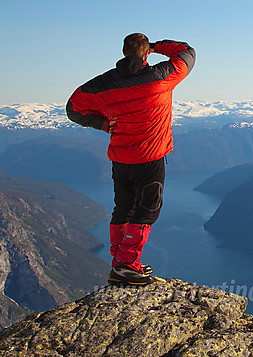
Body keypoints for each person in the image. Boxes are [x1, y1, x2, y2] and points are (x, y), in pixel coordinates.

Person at [66, 33, 195, 286]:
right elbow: (187, 52)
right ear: (145, 53)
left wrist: (102, 123)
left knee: (123, 208)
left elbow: (73, 108)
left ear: (124, 52)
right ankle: (127, 264)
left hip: (121, 159)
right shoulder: (161, 76)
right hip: (150, 158)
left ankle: (119, 262)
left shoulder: (103, 84)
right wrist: (157, 46)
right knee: (147, 210)